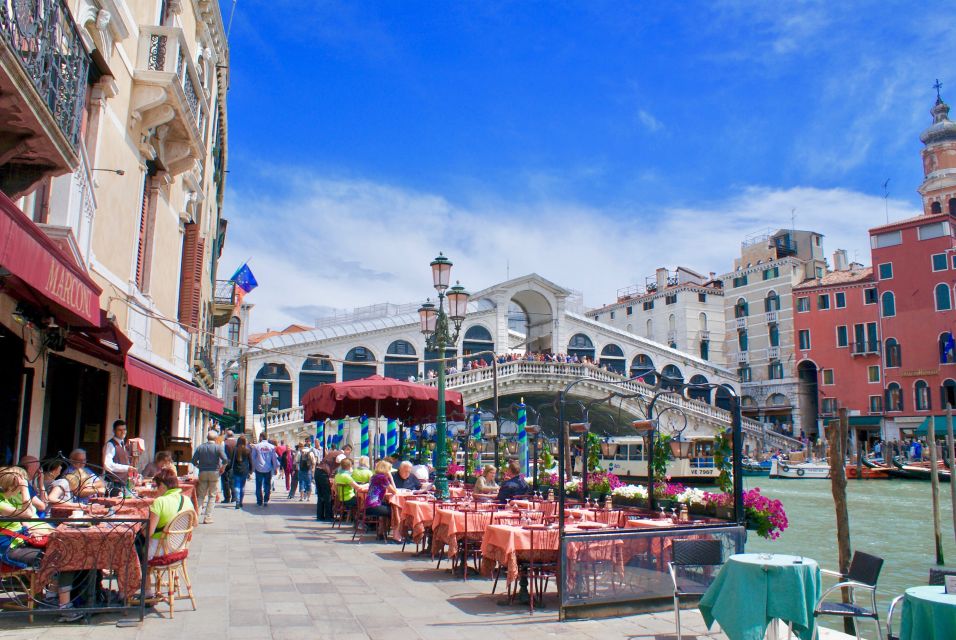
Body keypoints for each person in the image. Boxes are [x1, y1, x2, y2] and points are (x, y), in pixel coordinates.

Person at [0, 466, 81, 621]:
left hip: (21, 541)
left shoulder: (12, 496)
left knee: (64, 549)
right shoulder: (2, 500)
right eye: (22, 481)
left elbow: (30, 515)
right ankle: (63, 606)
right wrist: (25, 490)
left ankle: (53, 597)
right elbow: (26, 514)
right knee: (59, 556)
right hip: (8, 548)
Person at [191, 430, 227, 524]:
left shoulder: (200, 447)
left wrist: (199, 466)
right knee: (212, 495)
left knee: (201, 496)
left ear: (207, 438)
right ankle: (208, 517)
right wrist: (222, 468)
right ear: (215, 438)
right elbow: (225, 459)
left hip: (203, 472)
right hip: (214, 472)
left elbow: (193, 461)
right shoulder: (218, 448)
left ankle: (196, 517)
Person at [315, 443, 351, 521]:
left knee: (321, 495)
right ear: (347, 449)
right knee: (327, 495)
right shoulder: (341, 454)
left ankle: (320, 516)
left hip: (318, 471)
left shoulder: (334, 452)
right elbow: (342, 462)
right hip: (323, 473)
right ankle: (328, 516)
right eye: (349, 452)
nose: (349, 454)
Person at [103, 420, 136, 496]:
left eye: (124, 429)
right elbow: (107, 465)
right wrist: (126, 468)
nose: (123, 432)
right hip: (113, 484)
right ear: (114, 431)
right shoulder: (110, 445)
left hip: (123, 483)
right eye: (119, 430)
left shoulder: (123, 444)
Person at [365, 460, 396, 538]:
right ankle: (396, 533)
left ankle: (381, 531)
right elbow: (394, 491)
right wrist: (391, 478)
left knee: (387, 506)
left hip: (369, 505)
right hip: (374, 506)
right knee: (395, 511)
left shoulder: (374, 476)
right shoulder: (382, 478)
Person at [250, 432, 280, 507]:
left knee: (258, 485)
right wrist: (276, 468)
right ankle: (266, 499)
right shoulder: (272, 447)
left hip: (258, 468)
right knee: (267, 484)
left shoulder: (257, 446)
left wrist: (252, 468)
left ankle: (259, 501)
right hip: (268, 468)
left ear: (261, 437)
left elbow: (253, 458)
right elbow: (274, 459)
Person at [229, 436, 253, 509]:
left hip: (236, 469)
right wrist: (250, 471)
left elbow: (231, 461)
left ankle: (237, 501)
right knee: (242, 486)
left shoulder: (235, 450)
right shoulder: (247, 450)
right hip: (244, 470)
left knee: (236, 485)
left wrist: (229, 468)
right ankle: (241, 502)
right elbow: (250, 461)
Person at [221, 430, 237, 504]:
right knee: (233, 481)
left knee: (225, 481)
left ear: (226, 435)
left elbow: (221, 454)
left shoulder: (224, 443)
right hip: (235, 464)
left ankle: (227, 498)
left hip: (226, 464)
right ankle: (234, 497)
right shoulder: (237, 443)